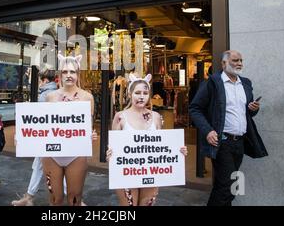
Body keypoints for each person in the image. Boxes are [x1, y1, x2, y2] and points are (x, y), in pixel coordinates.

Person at [189, 50, 268, 206]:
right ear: (224, 63)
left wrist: (253, 109)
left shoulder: (246, 83)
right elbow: (195, 108)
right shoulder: (212, 83)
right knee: (228, 185)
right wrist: (208, 130)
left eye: (241, 60)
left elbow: (247, 114)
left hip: (240, 142)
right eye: (235, 60)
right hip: (221, 141)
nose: (239, 63)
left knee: (232, 184)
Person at [107, 73, 188, 206]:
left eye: (145, 93)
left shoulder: (156, 117)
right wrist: (110, 154)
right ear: (129, 94)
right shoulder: (120, 116)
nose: (141, 96)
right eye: (137, 92)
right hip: (127, 172)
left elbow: (161, 146)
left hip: (150, 172)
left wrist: (178, 151)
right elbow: (113, 146)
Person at [41, 54, 95, 206]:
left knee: (75, 198)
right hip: (52, 154)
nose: (69, 75)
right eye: (65, 72)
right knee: (55, 199)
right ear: (60, 75)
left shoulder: (87, 97)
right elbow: (43, 124)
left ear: (78, 74)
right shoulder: (50, 97)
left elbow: (87, 126)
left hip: (76, 154)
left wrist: (91, 134)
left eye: (73, 72)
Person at [11, 69, 58, 206]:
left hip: (46, 137)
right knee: (40, 165)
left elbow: (41, 117)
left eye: (38, 80)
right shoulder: (54, 92)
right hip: (53, 136)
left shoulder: (45, 94)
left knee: (52, 167)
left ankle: (29, 197)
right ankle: (29, 196)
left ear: (44, 80)